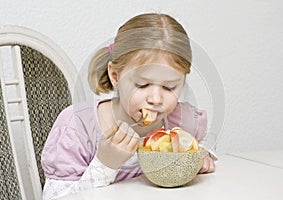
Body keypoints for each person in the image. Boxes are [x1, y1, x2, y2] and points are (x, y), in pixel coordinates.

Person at [41, 13, 216, 200]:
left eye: (169, 87)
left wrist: (200, 159)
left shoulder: (183, 121)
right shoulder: (77, 127)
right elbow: (55, 197)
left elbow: (204, 151)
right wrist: (105, 164)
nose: (156, 99)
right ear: (115, 76)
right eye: (142, 85)